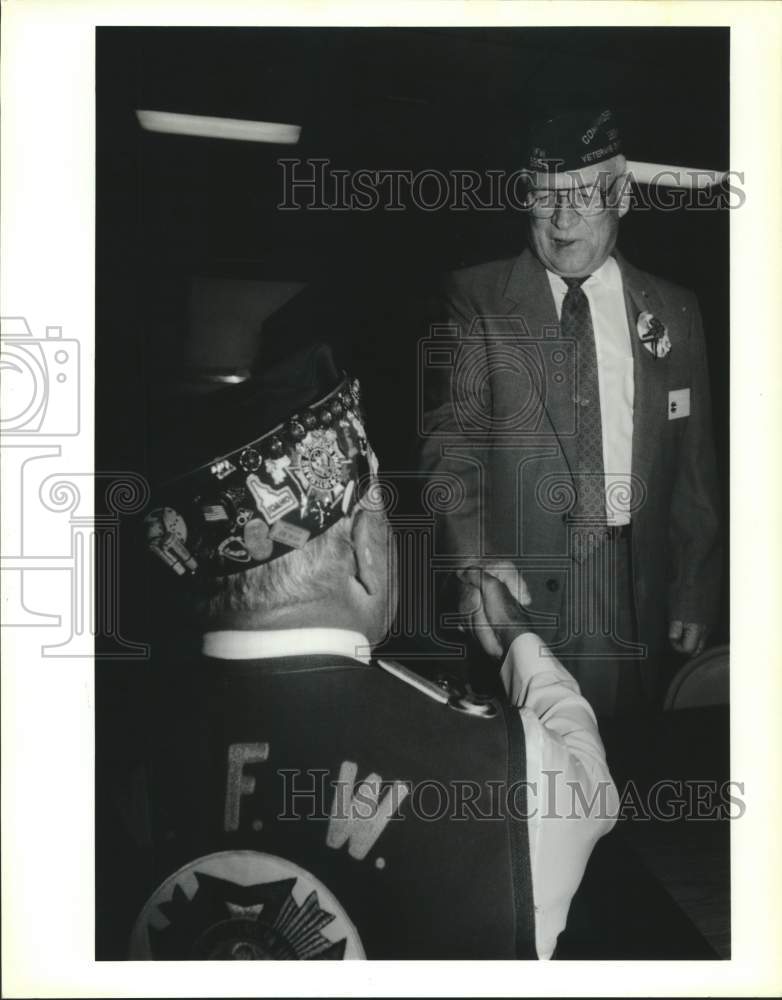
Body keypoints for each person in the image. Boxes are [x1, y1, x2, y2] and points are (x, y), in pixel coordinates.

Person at [103, 342, 617, 961]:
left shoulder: (88, 756)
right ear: (363, 550)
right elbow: (593, 791)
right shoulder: (506, 769)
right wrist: (518, 640)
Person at [419, 107, 721, 717]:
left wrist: (694, 586)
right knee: (532, 774)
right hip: (519, 589)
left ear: (624, 196)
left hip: (638, 587)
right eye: (544, 197)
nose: (561, 220)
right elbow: (452, 452)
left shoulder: (675, 310)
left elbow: (694, 466)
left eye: (584, 197)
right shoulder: (476, 298)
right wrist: (477, 562)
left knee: (630, 767)